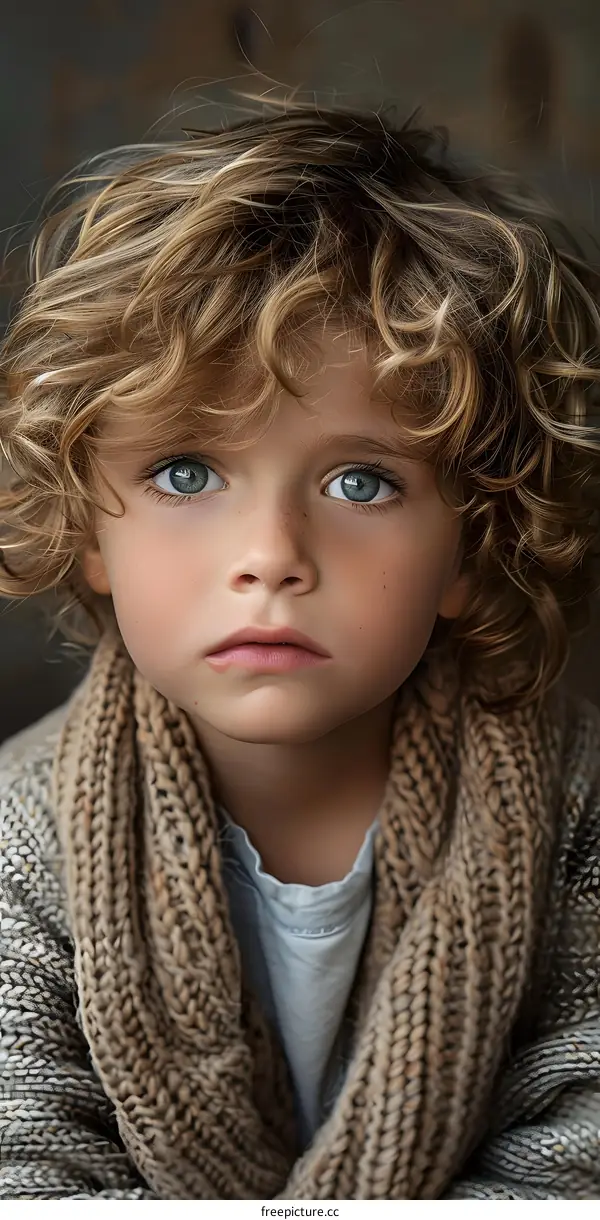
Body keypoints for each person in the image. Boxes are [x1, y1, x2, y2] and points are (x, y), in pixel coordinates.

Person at [0, 101, 599, 1201]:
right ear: (88, 527)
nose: (270, 555)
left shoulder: (578, 818)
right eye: (186, 472)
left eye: (362, 481)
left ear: (474, 544)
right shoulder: (16, 846)